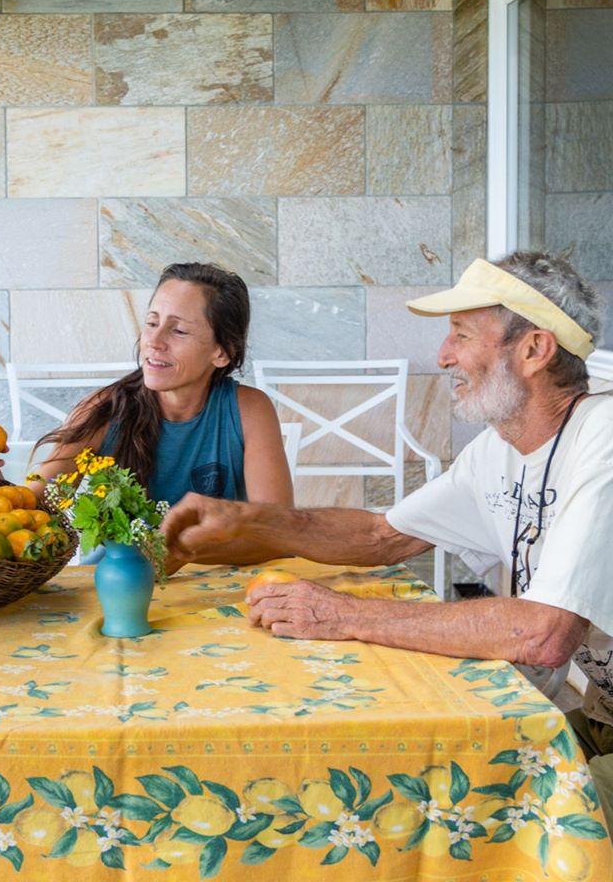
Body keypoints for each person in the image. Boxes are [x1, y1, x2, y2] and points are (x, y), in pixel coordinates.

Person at [161, 253, 613, 828]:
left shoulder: (604, 434)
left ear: (534, 350)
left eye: (462, 335)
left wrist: (343, 614)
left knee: (513, 820)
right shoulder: (498, 450)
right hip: (597, 714)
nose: (443, 355)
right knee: (434, 790)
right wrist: (250, 521)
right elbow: (382, 535)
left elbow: (543, 633)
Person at [0, 262, 293, 518]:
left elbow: (278, 526)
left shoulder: (248, 411)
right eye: (152, 322)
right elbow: (32, 507)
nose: (154, 341)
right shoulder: (106, 410)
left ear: (221, 351)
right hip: (119, 581)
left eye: (178, 330)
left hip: (214, 583)